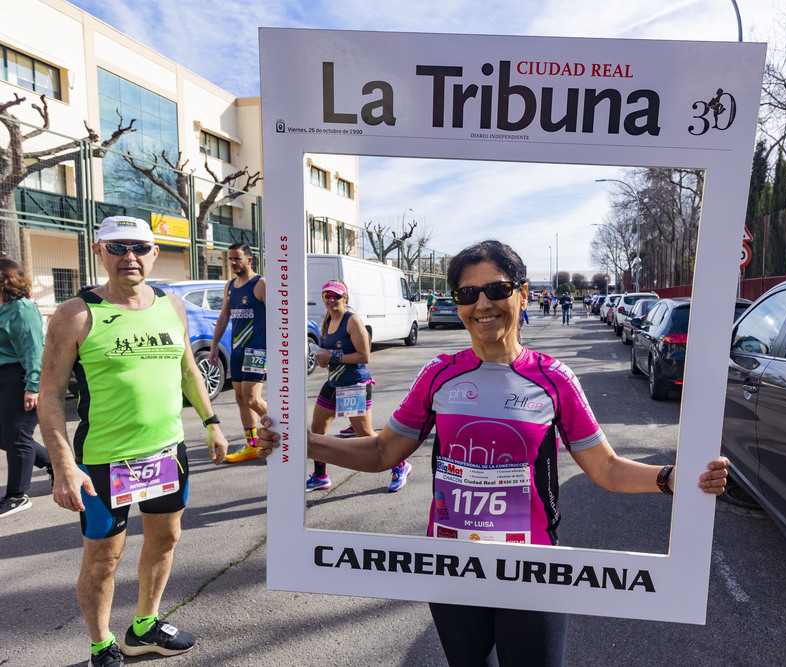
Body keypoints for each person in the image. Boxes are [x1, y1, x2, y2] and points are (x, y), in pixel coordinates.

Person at [254, 239, 729, 666]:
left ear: (522, 294)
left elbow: (605, 467)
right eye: (466, 294)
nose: (482, 304)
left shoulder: (554, 378)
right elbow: (381, 452)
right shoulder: (438, 374)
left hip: (533, 568)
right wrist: (299, 441)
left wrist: (673, 478)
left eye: (496, 289)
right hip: (452, 564)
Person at [38, 216, 228, 667]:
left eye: (140, 248)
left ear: (154, 253)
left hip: (167, 453)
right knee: (104, 558)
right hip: (103, 461)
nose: (130, 257)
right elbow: (48, 395)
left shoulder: (172, 305)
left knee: (165, 538)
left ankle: (145, 626)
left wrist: (212, 421)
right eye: (118, 247)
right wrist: (64, 465)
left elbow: (188, 370)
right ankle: (102, 643)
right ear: (99, 250)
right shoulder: (75, 314)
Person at [306, 280, 412, 493]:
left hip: (354, 384)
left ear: (345, 298)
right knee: (316, 431)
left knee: (364, 435)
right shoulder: (327, 321)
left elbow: (364, 356)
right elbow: (333, 354)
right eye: (327, 295)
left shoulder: (352, 320)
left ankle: (400, 465)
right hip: (333, 383)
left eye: (336, 295)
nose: (331, 299)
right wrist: (323, 359)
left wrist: (332, 355)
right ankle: (320, 477)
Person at [0, 258, 51, 518]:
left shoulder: (22, 309)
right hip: (3, 378)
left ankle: (17, 496)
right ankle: (53, 463)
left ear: (5, 280)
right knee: (7, 437)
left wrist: (33, 386)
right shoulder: (2, 309)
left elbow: (34, 350)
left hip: (20, 377)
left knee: (18, 438)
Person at [209, 243, 267, 463]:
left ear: (249, 260)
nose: (233, 263)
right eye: (230, 259)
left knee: (253, 399)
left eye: (237, 259)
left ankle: (290, 431)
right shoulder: (230, 285)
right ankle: (252, 445)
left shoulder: (260, 284)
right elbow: (224, 316)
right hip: (237, 350)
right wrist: (214, 347)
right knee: (241, 398)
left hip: (257, 350)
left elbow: (277, 317)